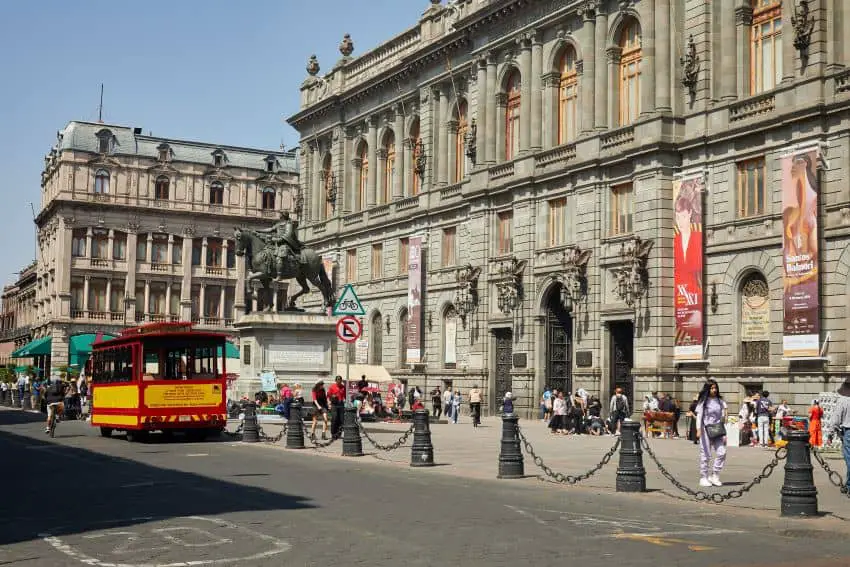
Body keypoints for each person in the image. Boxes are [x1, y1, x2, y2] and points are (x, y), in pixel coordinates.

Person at [695, 379, 728, 487]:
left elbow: (723, 416)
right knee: (706, 455)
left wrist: (724, 433)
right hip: (705, 430)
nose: (714, 390)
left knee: (722, 452)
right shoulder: (703, 402)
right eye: (712, 388)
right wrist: (698, 429)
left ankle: (715, 475)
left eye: (715, 388)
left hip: (718, 430)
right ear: (708, 389)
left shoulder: (720, 401)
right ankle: (703, 477)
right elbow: (699, 416)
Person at [827, 378, 850, 493]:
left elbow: (836, 419)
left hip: (848, 432)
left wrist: (830, 434)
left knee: (849, 459)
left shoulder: (843, 400)